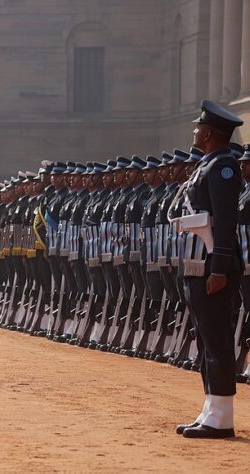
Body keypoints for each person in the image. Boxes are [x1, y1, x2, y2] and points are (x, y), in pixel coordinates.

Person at [175, 100, 243, 439]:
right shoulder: (207, 166)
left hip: (212, 265)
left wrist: (219, 269)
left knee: (217, 340)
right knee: (205, 339)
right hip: (197, 262)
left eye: (199, 126)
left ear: (209, 133)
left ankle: (221, 416)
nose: (195, 130)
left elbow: (226, 221)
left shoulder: (223, 168)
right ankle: (211, 408)